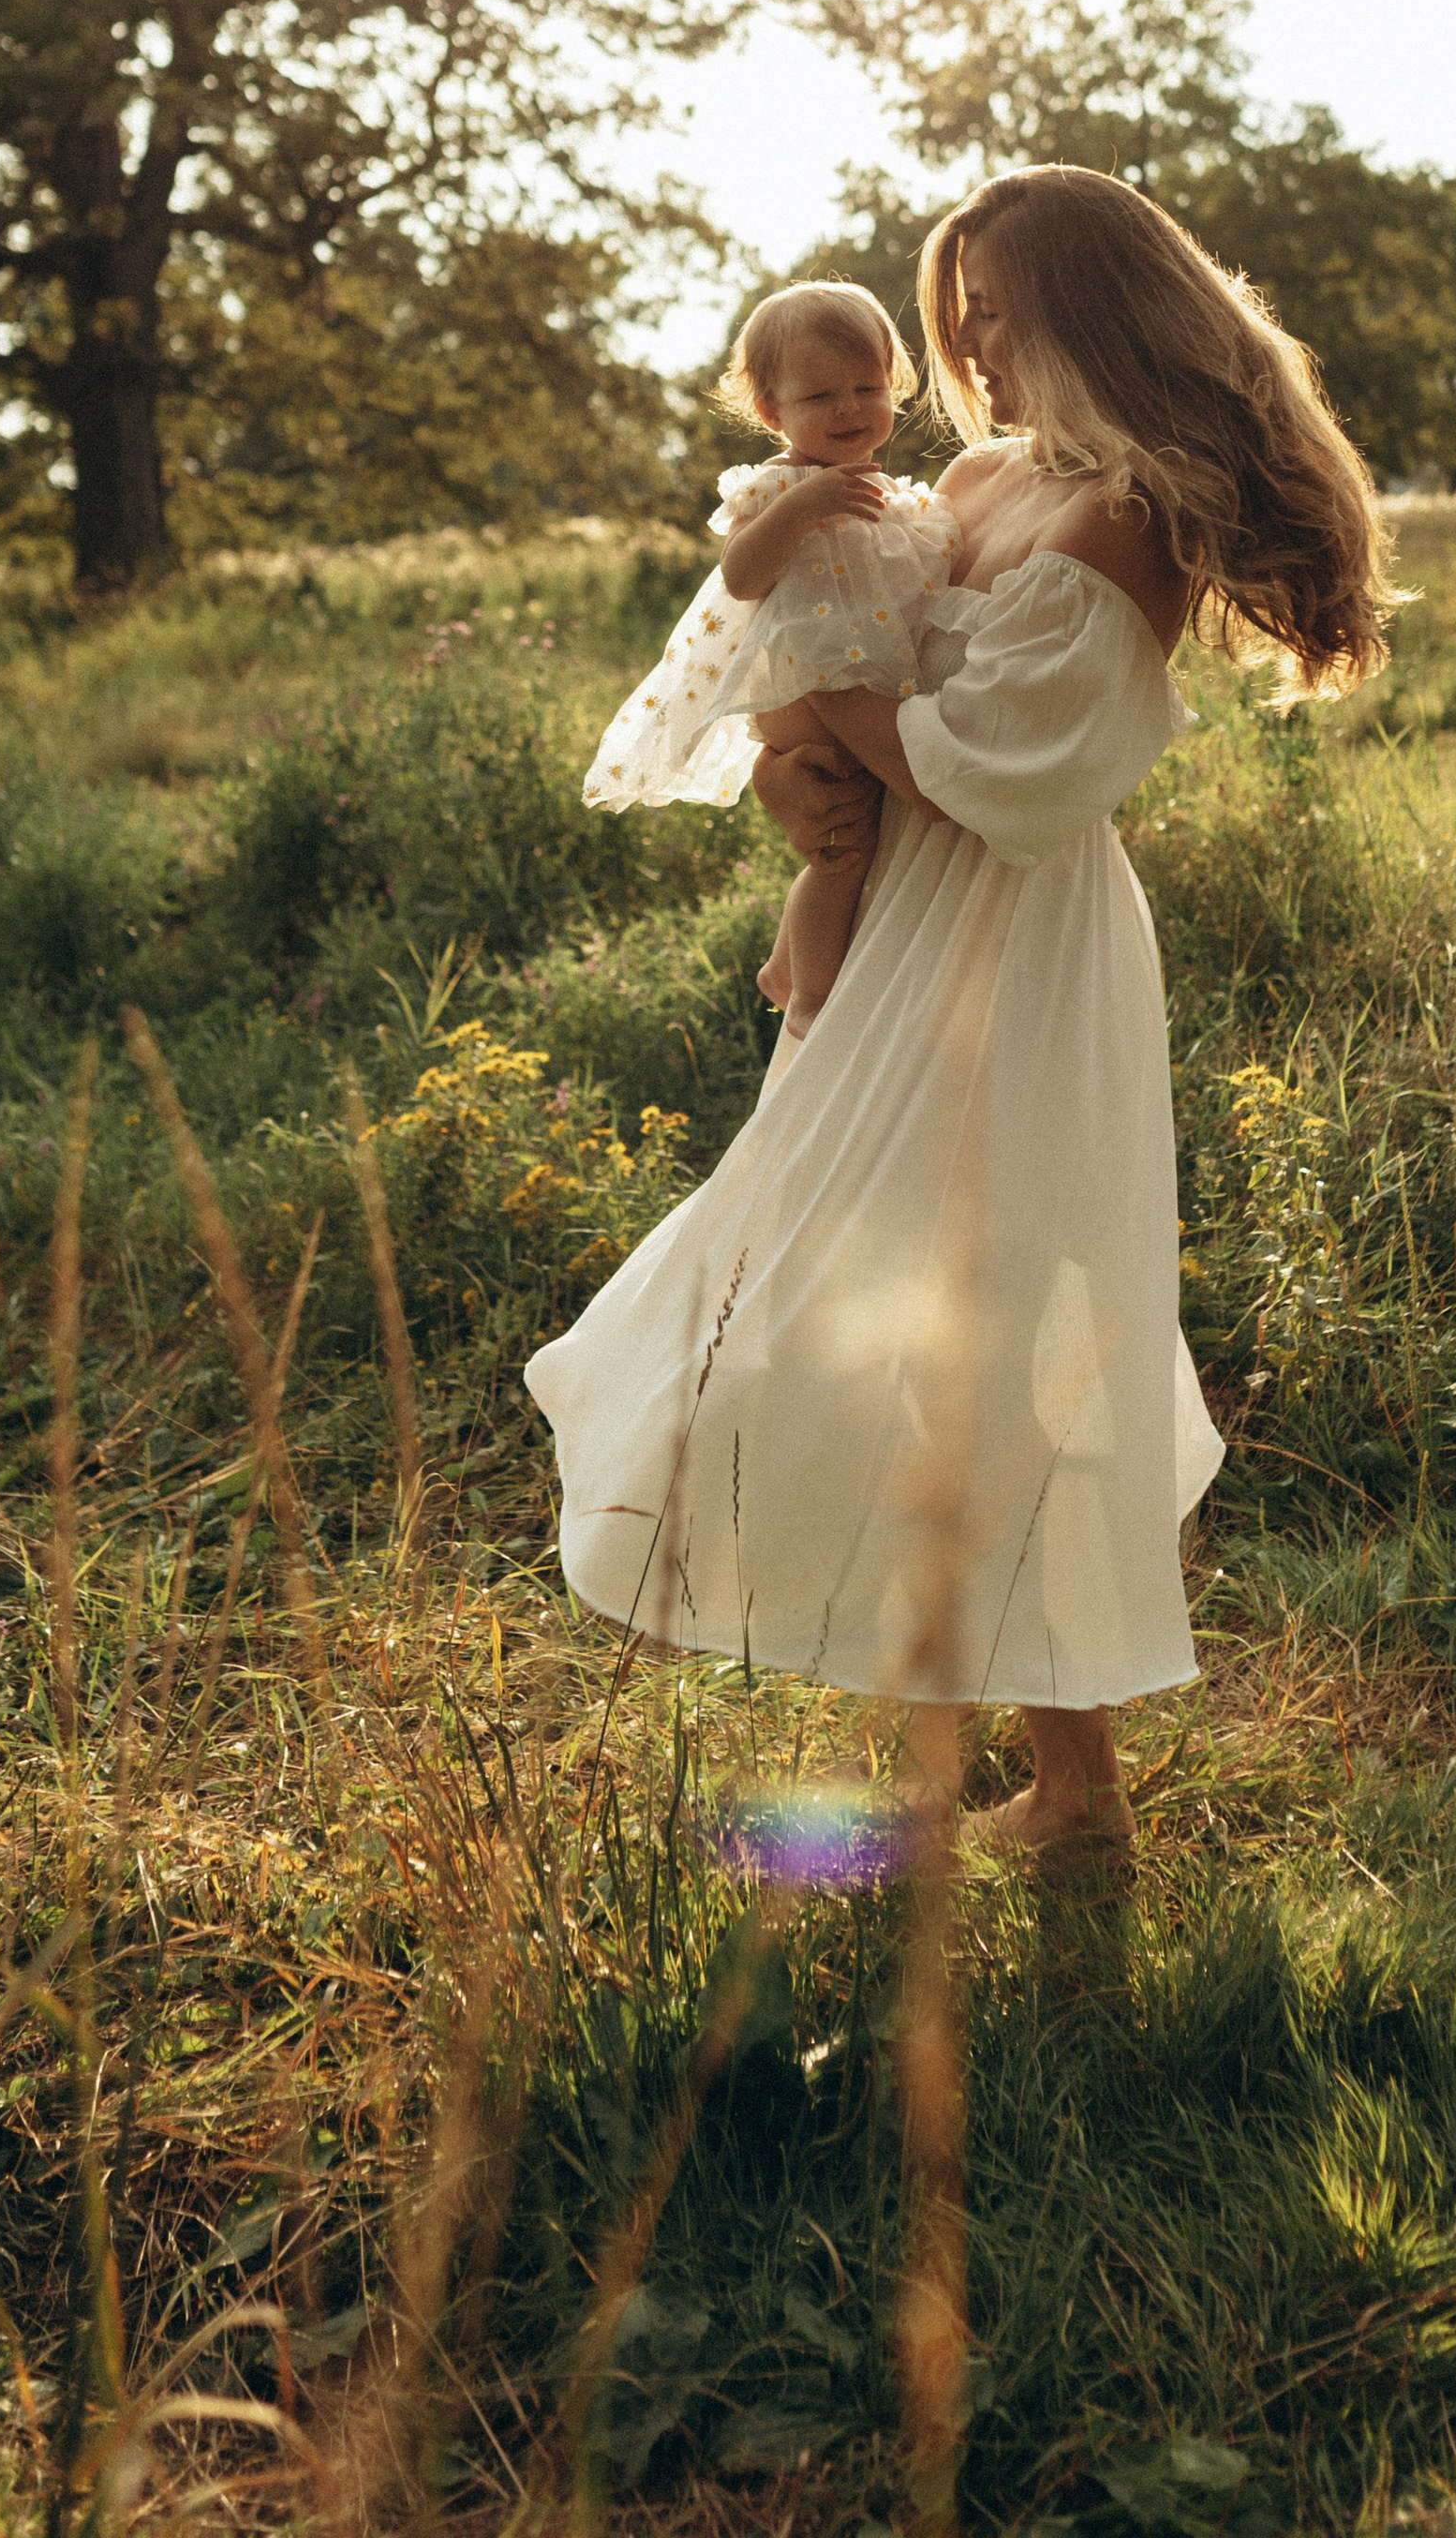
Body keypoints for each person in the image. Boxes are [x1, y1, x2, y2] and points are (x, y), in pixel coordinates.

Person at [528, 166, 1394, 1856]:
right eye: (959, 317)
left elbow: (1004, 771)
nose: (973, 350)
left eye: (999, 313)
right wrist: (785, 772)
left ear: (1092, 311)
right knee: (872, 1318)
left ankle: (1074, 1800)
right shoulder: (981, 480)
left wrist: (832, 707)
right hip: (903, 922)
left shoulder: (1127, 522)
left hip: (1022, 941)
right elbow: (828, 649)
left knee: (1012, 1335)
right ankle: (941, 1761)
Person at [583, 282, 957, 1038]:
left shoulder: (887, 493)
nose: (850, 409)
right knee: (842, 850)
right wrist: (797, 509)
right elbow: (741, 577)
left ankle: (788, 962)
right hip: (800, 691)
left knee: (862, 838)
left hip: (856, 682)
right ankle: (808, 994)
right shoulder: (778, 488)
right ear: (770, 411)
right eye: (820, 396)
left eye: (868, 387)